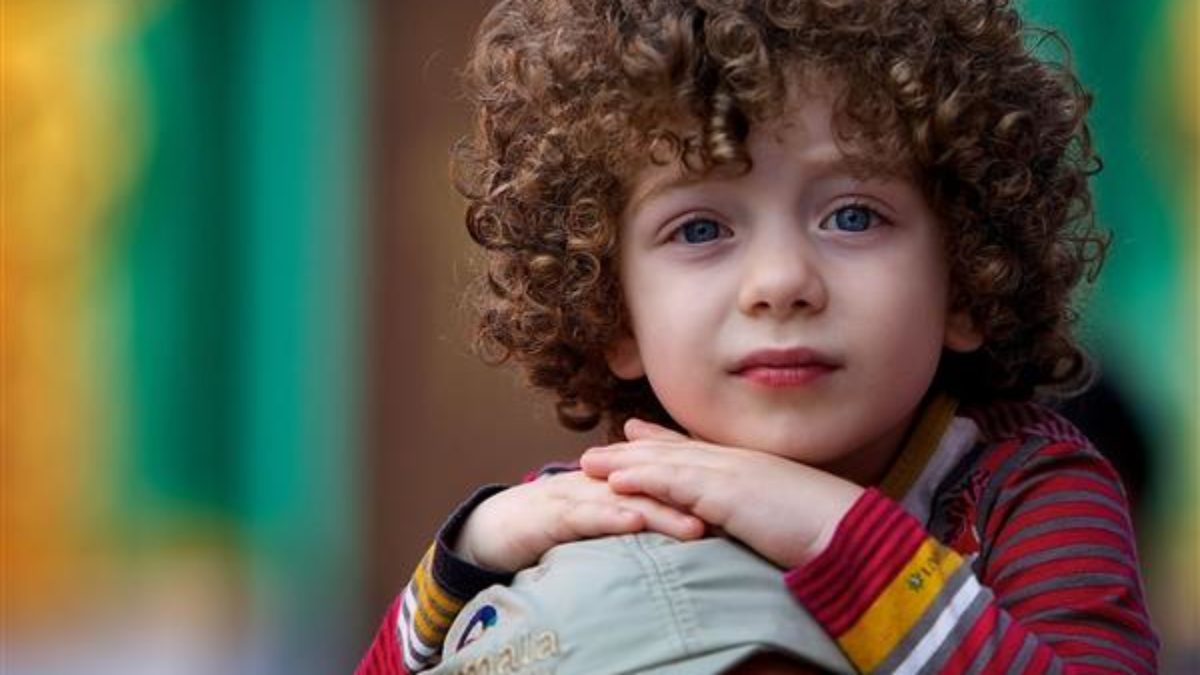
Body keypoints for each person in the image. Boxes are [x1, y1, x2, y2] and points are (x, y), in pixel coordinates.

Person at [357, 0, 1159, 672]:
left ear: (966, 273)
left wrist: (829, 530)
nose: (780, 282)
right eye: (700, 226)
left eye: (852, 215)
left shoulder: (1027, 492)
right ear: (612, 310)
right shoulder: (607, 503)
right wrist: (472, 547)